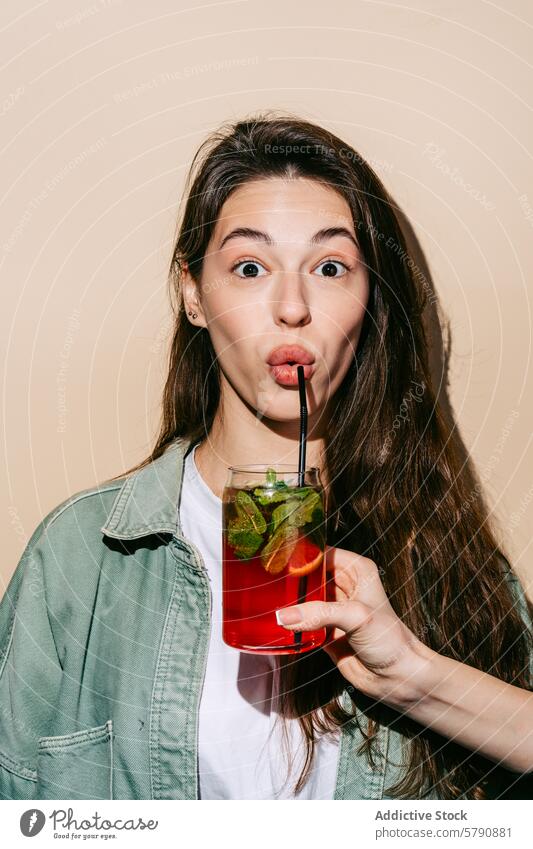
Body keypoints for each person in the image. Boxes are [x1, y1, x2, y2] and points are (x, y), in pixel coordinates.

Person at [1, 113, 532, 801]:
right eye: (249, 267)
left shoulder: (440, 552)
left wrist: (414, 673)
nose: (291, 306)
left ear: (368, 299)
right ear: (193, 293)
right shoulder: (81, 555)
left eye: (330, 266)